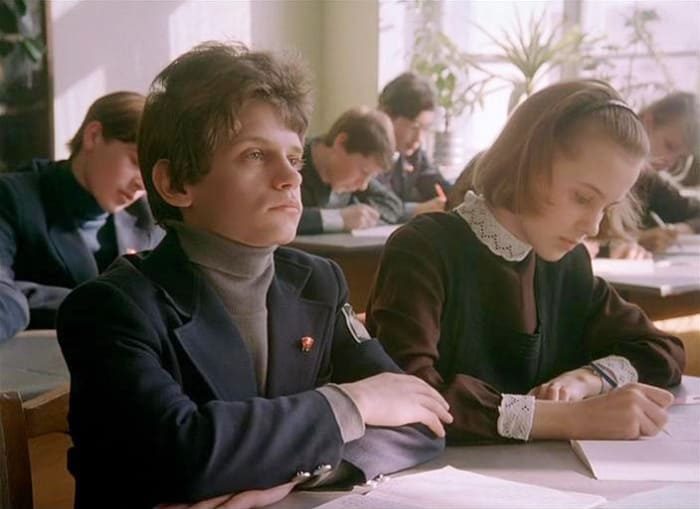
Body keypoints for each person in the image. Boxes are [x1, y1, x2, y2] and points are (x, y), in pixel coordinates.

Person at [57, 42, 449, 509]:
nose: (291, 178)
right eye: (256, 155)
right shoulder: (109, 309)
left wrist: (300, 475)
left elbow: (423, 421)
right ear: (175, 184)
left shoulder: (319, 283)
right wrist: (353, 403)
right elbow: (183, 455)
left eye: (295, 158)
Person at [365, 80, 685, 444]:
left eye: (606, 207)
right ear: (526, 164)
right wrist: (569, 419)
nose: (593, 227)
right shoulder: (423, 249)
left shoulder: (568, 264)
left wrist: (588, 379)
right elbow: (406, 396)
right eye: (583, 198)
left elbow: (662, 350)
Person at [0, 91, 163, 343]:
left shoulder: (148, 218)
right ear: (93, 136)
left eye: (150, 173)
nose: (142, 184)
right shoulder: (13, 197)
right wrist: (110, 305)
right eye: (135, 161)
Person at [298, 107, 403, 234]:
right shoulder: (291, 163)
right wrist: (338, 218)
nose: (363, 186)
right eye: (364, 172)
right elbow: (277, 218)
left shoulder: (352, 177)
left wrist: (361, 215)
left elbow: (392, 204)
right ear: (341, 143)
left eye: (371, 176)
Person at [378, 72, 451, 219]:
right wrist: (416, 210)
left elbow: (436, 183)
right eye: (414, 127)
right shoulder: (364, 151)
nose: (419, 139)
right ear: (387, 115)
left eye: (425, 129)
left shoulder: (414, 155)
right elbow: (374, 205)